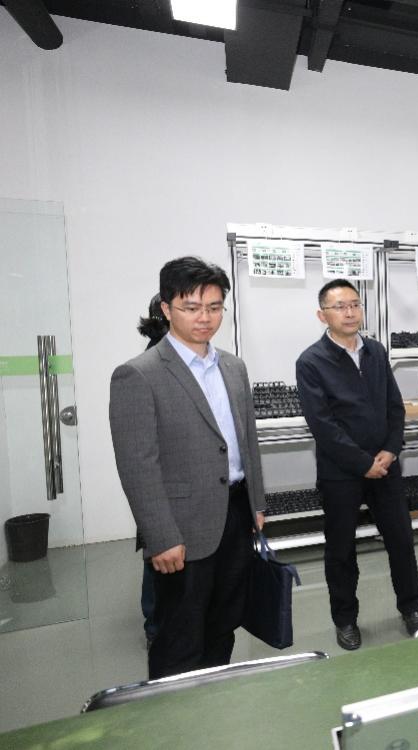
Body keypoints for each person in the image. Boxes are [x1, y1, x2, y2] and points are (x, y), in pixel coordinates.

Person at [109, 257, 266, 679]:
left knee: (223, 624)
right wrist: (161, 537)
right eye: (191, 307)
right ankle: (172, 711)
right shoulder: (138, 375)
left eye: (214, 307)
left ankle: (211, 699)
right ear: (166, 308)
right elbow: (137, 465)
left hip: (235, 514)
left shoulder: (233, 367)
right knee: (179, 634)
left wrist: (257, 504)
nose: (204, 318)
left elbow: (247, 441)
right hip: (181, 526)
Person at [295, 279, 418, 648]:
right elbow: (323, 425)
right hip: (341, 472)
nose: (350, 312)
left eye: (355, 304)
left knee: (401, 540)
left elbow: (394, 407)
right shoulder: (311, 362)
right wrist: (362, 462)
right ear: (322, 315)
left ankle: (412, 607)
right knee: (341, 549)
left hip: (385, 466)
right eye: (340, 306)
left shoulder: (375, 351)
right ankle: (345, 619)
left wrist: (391, 450)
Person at [136, 293, 168, 649]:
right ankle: (156, 627)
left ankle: (158, 623)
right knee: (158, 554)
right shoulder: (149, 366)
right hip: (164, 483)